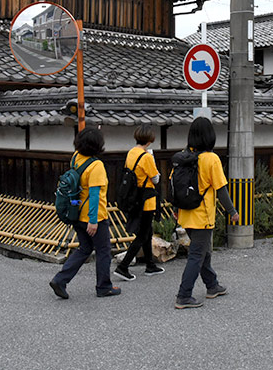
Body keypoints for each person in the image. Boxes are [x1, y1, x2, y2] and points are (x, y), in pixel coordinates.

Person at [174, 117, 240, 309]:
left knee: (204, 252)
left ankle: (212, 286)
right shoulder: (211, 159)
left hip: (186, 214)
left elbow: (176, 187)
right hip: (202, 215)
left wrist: (176, 210)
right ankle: (184, 295)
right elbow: (221, 189)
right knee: (197, 254)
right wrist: (232, 212)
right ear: (210, 136)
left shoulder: (184, 157)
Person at [50, 127, 121, 299]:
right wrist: (93, 220)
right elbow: (95, 195)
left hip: (76, 211)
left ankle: (60, 280)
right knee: (104, 250)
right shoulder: (96, 166)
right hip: (93, 216)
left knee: (85, 248)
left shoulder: (76, 157)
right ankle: (104, 286)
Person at [114, 124, 165, 281]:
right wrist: (153, 162)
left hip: (135, 197)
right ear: (149, 140)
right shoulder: (147, 157)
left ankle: (150, 265)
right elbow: (155, 179)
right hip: (146, 200)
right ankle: (123, 267)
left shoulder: (131, 153)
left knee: (147, 232)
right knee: (143, 235)